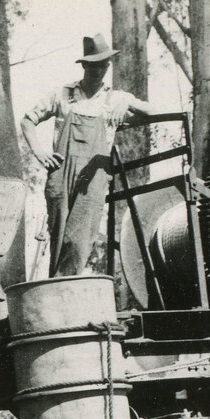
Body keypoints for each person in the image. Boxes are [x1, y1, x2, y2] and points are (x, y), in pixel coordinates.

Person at [21, 34, 152, 277]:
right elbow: (28, 120)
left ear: (108, 66)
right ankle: (55, 289)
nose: (98, 70)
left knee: (80, 240)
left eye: (103, 64)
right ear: (84, 65)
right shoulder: (63, 94)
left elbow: (152, 111)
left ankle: (65, 290)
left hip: (93, 179)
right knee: (58, 236)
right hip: (61, 175)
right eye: (93, 64)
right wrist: (40, 153)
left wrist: (129, 105)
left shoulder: (115, 99)